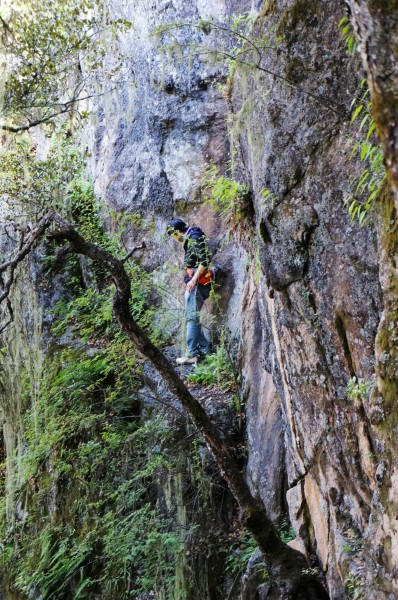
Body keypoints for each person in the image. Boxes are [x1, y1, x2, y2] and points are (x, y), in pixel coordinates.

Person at [167, 218, 213, 364]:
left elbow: (204, 261)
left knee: (191, 318)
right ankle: (205, 349)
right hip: (195, 283)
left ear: (178, 231)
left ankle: (191, 353)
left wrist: (193, 280)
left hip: (198, 284)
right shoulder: (192, 237)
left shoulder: (194, 237)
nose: (175, 239)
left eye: (173, 236)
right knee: (191, 317)